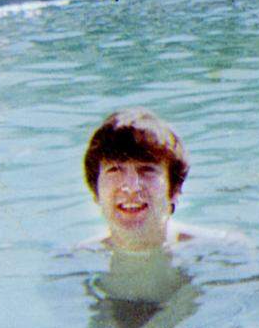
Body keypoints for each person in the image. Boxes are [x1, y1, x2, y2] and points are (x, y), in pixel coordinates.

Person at [82, 108, 192, 252]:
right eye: (115, 170)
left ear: (174, 190)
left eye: (147, 170)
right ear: (95, 191)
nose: (131, 187)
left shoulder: (213, 253)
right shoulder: (77, 263)